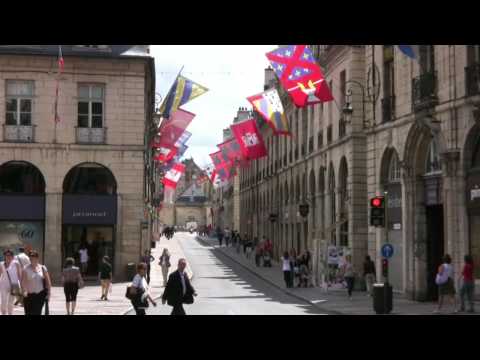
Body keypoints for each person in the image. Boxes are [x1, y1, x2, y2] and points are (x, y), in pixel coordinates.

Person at [21, 251, 52, 315]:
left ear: (37, 258)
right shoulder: (25, 268)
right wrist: (24, 291)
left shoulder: (43, 268)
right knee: (28, 313)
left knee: (37, 312)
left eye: (34, 257)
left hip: (40, 295)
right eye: (31, 258)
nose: (32, 259)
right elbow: (23, 282)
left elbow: (48, 282)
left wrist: (49, 294)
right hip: (29, 296)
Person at [0, 249, 23, 315]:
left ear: (13, 256)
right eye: (7, 255)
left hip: (14, 285)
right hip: (3, 285)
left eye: (10, 255)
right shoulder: (1, 264)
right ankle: (3, 313)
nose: (8, 257)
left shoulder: (16, 263)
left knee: (11, 302)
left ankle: (10, 313)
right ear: (4, 256)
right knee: (3, 301)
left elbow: (19, 275)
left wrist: (21, 285)